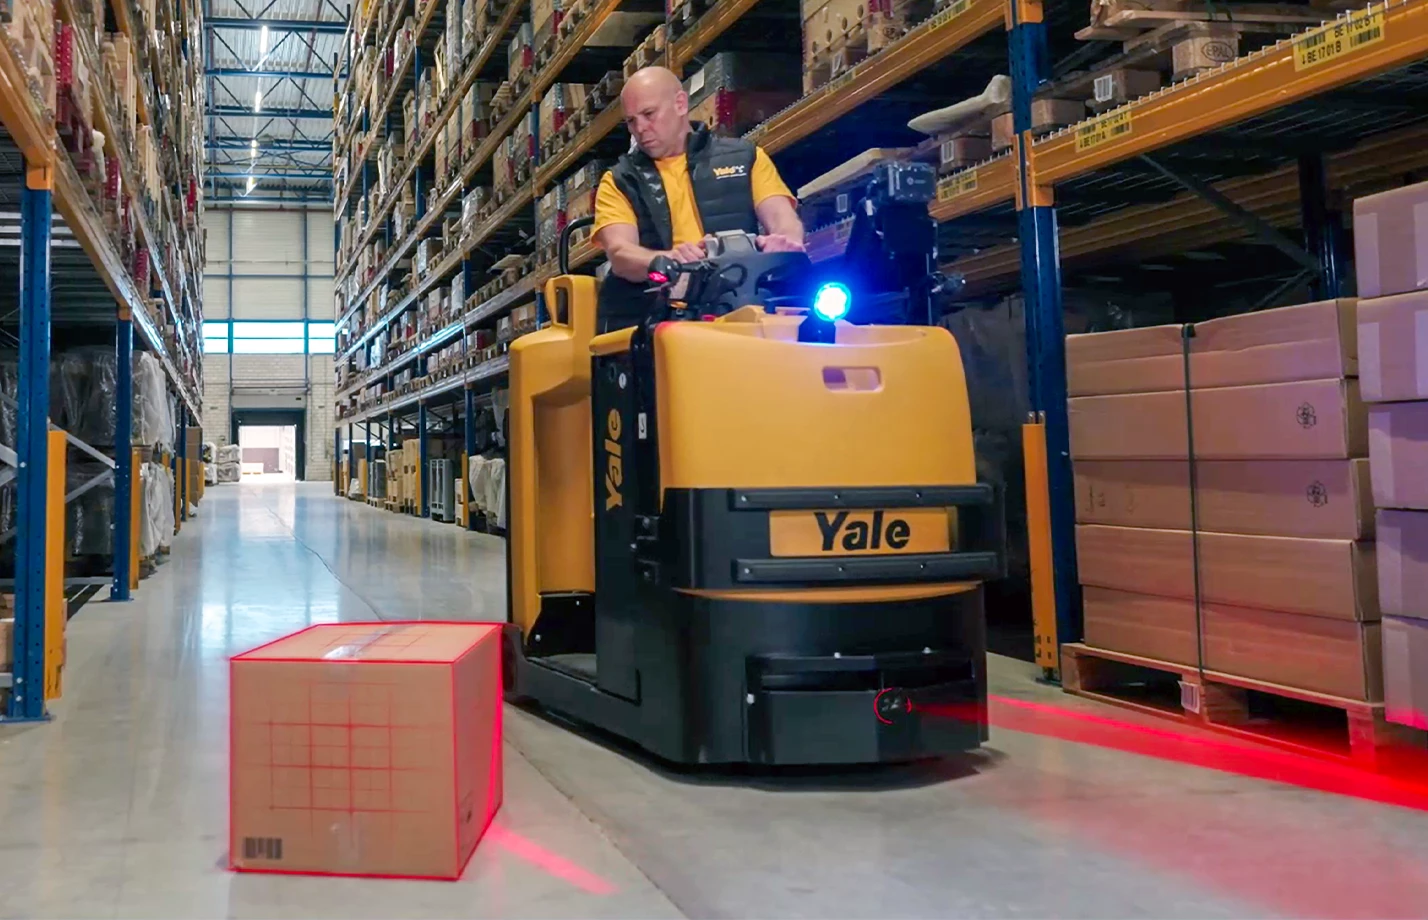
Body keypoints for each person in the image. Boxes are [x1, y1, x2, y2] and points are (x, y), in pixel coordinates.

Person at [592, 66, 805, 327]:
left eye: (649, 114)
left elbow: (783, 219)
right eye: (631, 121)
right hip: (656, 319)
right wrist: (664, 261)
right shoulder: (619, 180)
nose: (640, 129)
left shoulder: (745, 157)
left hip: (741, 306)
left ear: (680, 104)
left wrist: (784, 242)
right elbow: (620, 253)